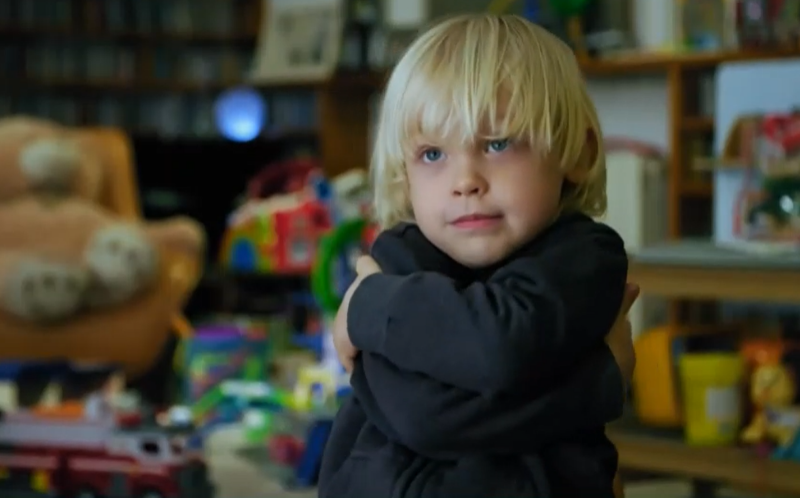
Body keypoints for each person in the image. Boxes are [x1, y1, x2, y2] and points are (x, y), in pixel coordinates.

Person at [318, 13, 636, 497]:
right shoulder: (399, 255)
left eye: (498, 143)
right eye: (432, 154)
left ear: (579, 154)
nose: (465, 180)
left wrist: (370, 307)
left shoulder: (583, 257)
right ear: (405, 172)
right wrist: (596, 382)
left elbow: (491, 353)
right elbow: (418, 412)